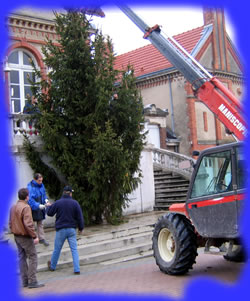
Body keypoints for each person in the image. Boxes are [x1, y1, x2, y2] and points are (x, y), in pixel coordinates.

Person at [9, 188, 45, 289]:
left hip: (17, 236)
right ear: (27, 197)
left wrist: (14, 231)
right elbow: (28, 224)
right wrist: (34, 236)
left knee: (22, 257)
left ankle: (24, 281)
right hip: (25, 236)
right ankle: (32, 280)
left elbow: (10, 223)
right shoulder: (26, 207)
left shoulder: (13, 207)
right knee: (33, 256)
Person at [46, 186, 84, 274]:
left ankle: (52, 266)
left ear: (63, 193)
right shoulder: (75, 203)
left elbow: (49, 213)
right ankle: (77, 269)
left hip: (61, 229)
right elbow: (80, 217)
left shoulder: (58, 203)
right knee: (74, 249)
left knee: (57, 249)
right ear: (70, 193)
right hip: (71, 229)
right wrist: (81, 228)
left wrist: (48, 206)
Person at [27, 173, 50, 246]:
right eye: (39, 180)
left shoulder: (41, 185)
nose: (40, 182)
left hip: (41, 207)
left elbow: (44, 194)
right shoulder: (30, 187)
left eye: (41, 180)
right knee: (32, 224)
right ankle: (32, 239)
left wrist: (46, 200)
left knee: (40, 223)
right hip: (33, 208)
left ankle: (41, 238)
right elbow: (30, 199)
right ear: (35, 179)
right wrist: (38, 205)